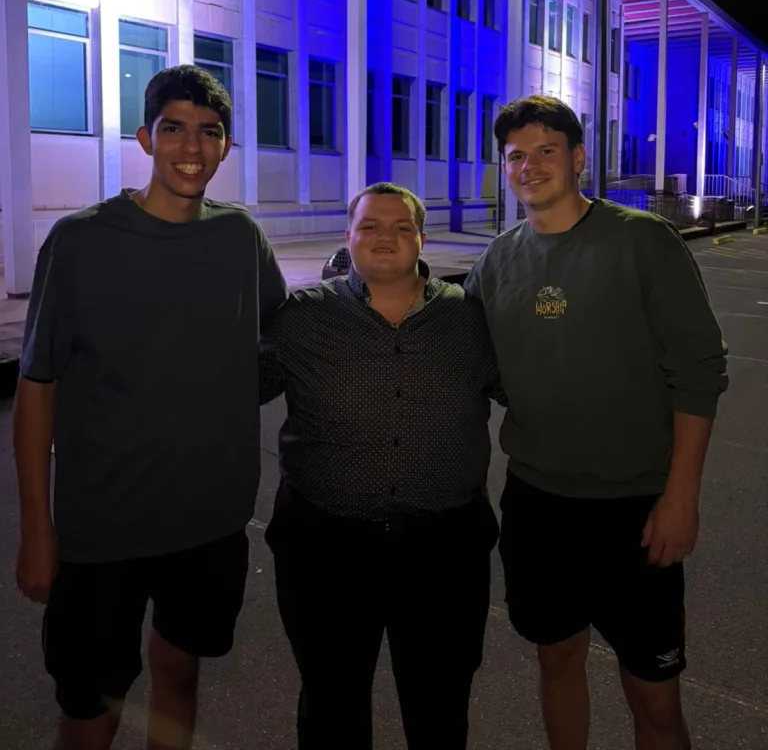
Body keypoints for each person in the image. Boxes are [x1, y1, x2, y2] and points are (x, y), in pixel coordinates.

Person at [14, 66, 287, 750]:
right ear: (145, 138)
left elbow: (282, 338)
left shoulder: (239, 239)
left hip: (210, 522)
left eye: (209, 132)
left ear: (225, 147)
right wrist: (39, 531)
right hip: (104, 525)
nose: (191, 148)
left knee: (179, 671)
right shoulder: (81, 242)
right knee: (90, 706)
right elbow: (37, 386)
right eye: (174, 129)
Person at [465, 95, 728, 750]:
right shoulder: (497, 262)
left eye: (547, 150)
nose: (530, 165)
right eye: (516, 155)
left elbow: (697, 372)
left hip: (634, 507)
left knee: (653, 693)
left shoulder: (642, 241)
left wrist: (681, 498)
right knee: (557, 661)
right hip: (537, 506)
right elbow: (465, 356)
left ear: (578, 158)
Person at [260, 182, 503, 750]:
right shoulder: (303, 317)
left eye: (400, 227)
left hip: (445, 551)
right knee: (331, 706)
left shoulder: (467, 317)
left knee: (440, 709)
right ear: (349, 237)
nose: (384, 237)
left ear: (421, 239)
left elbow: (530, 389)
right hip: (326, 549)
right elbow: (237, 387)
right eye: (369, 225)